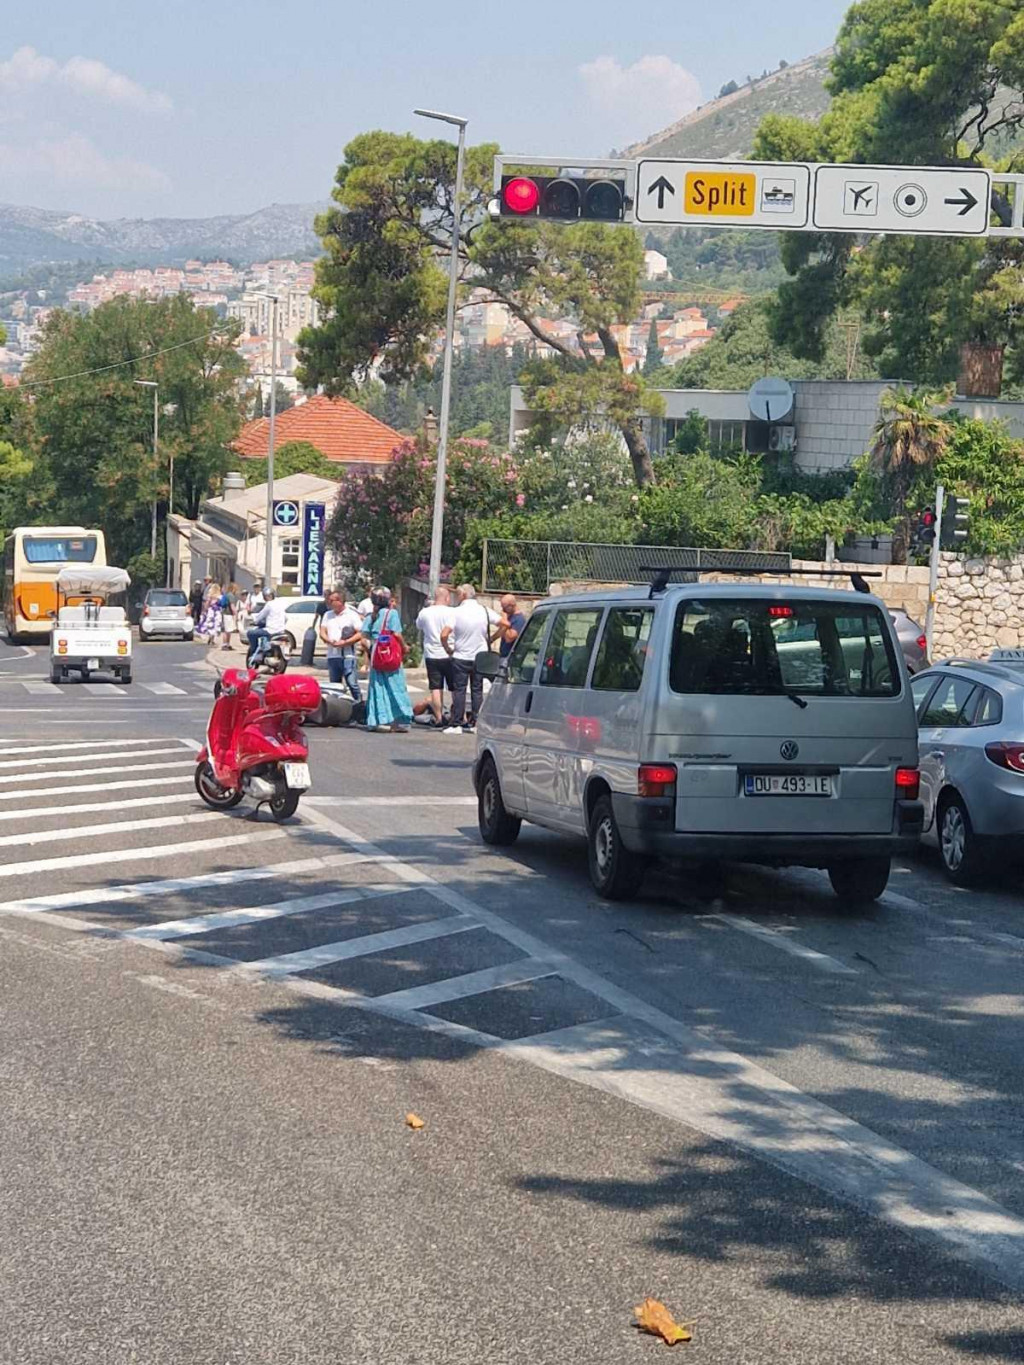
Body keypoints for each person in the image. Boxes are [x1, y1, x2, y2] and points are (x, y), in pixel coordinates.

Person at [441, 583, 499, 734]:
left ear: (464, 595)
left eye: (459, 595)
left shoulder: (457, 612)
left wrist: (448, 648)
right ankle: (476, 722)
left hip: (461, 656)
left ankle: (457, 723)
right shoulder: (485, 611)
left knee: (459, 690)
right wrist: (491, 639)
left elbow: (444, 634)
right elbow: (504, 624)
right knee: (477, 689)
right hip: (479, 656)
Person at [355, 586, 412, 733]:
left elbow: (363, 639)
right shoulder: (391, 614)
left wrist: (371, 651)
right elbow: (397, 635)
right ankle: (398, 720)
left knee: (377, 688)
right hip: (390, 654)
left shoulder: (370, 616)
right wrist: (405, 647)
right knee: (396, 686)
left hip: (376, 655)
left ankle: (379, 720)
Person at [415, 585, 455, 726]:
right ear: (447, 597)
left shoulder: (425, 612)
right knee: (454, 687)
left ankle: (438, 718)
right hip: (449, 652)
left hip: (432, 654)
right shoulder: (453, 612)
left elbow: (418, 626)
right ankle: (456, 716)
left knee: (436, 688)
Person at [319, 589, 363, 701]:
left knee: (351, 682)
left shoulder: (351, 615)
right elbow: (322, 631)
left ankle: (359, 703)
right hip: (332, 655)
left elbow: (360, 633)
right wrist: (329, 640)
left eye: (331, 600)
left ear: (340, 601)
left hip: (348, 655)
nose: (329, 602)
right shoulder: (327, 615)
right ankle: (338, 709)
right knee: (334, 686)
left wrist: (345, 643)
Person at [246, 588, 288, 661]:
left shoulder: (269, 604)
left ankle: (256, 654)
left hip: (271, 630)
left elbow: (260, 616)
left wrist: (255, 621)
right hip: (281, 631)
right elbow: (286, 618)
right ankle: (266, 650)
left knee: (251, 633)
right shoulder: (280, 604)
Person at [495, 593, 526, 659]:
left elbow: (509, 638)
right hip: (503, 654)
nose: (503, 610)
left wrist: (505, 620)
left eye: (504, 607)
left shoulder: (519, 619)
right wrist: (492, 639)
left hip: (510, 657)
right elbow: (502, 631)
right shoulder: (510, 617)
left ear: (511, 605)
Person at [220, 582, 239, 651]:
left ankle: (227, 644)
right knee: (227, 630)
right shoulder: (231, 596)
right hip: (228, 614)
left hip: (227, 614)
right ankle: (225, 644)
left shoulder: (228, 594)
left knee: (229, 630)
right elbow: (232, 606)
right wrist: (236, 614)